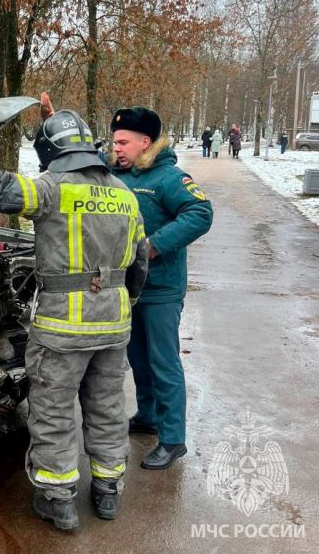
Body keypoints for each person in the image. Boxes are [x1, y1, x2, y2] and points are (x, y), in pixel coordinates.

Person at [0, 94, 148, 529]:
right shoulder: (125, 196)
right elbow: (141, 261)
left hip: (62, 330)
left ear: (50, 153)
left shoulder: (50, 189)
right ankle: (107, 492)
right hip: (114, 325)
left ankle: (58, 502)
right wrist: (124, 304)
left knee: (55, 412)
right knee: (107, 407)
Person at [109, 107, 213, 470]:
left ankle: (172, 439)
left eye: (123, 142)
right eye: (114, 141)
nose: (117, 148)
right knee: (137, 358)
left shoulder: (169, 177)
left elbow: (200, 214)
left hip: (161, 289)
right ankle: (148, 416)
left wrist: (152, 245)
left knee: (164, 362)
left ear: (145, 142)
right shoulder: (115, 175)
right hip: (129, 287)